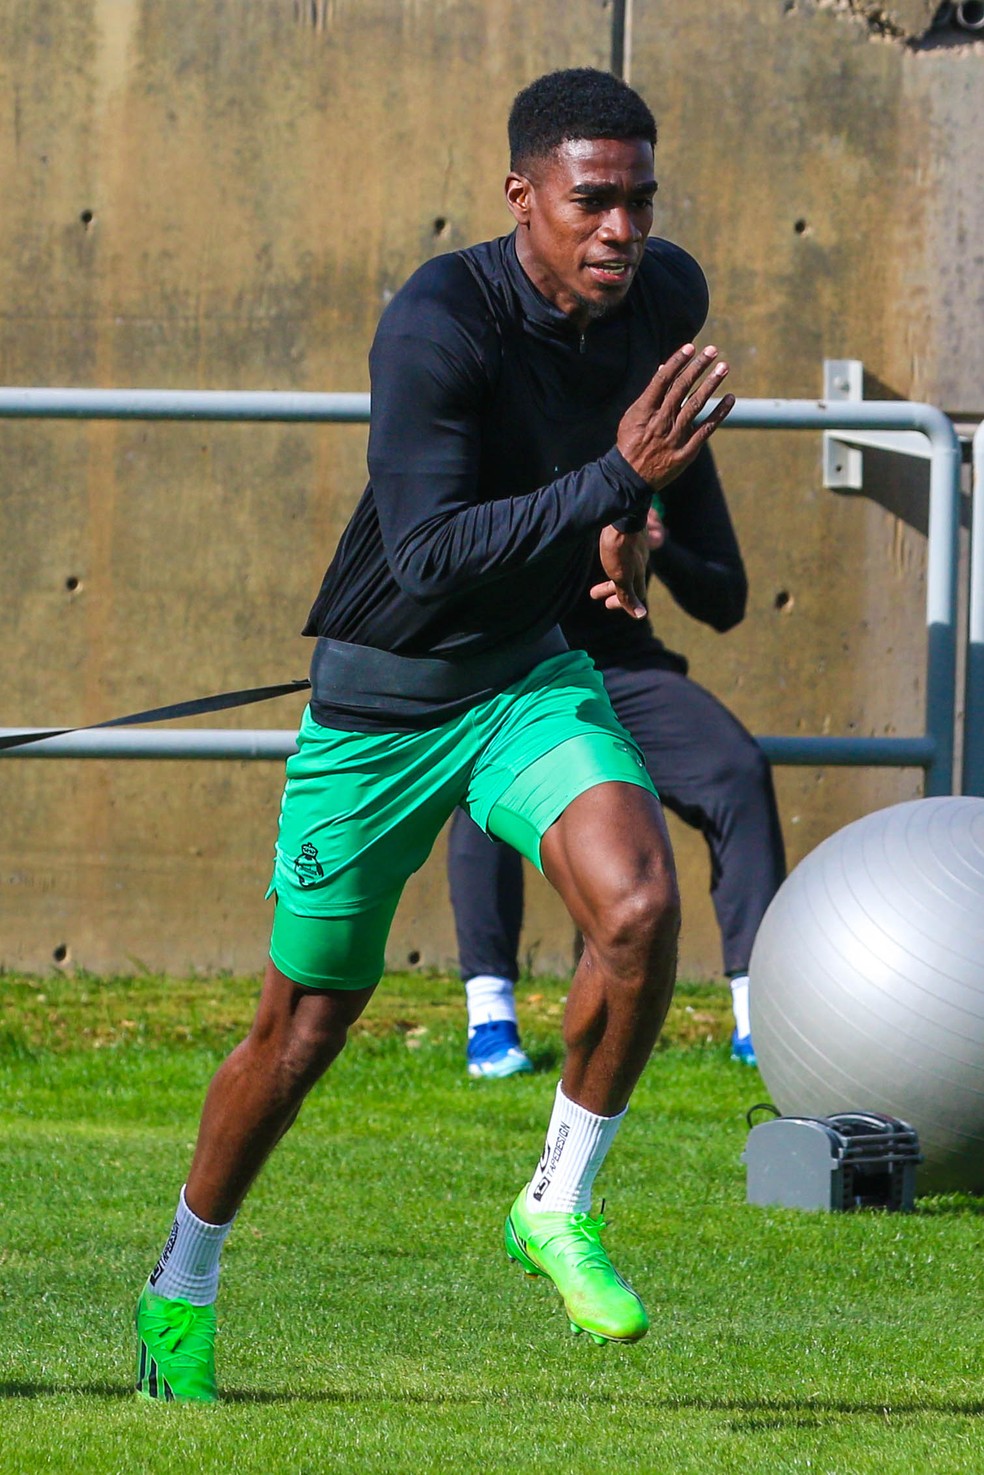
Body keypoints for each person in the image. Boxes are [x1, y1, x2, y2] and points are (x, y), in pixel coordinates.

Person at [133, 66, 735, 1403]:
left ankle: (555, 1204)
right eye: (592, 202)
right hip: (380, 707)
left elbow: (638, 475)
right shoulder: (432, 325)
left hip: (526, 682)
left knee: (639, 906)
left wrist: (633, 537)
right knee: (299, 1028)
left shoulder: (666, 300)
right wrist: (617, 482)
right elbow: (425, 552)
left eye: (640, 200)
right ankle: (182, 1275)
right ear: (523, 197)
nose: (622, 231)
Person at [449, 447, 787, 1079]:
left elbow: (727, 597)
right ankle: (489, 1015)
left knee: (735, 770)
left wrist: (661, 544)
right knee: (485, 788)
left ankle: (755, 1010)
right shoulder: (511, 405)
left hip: (626, 666)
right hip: (519, 667)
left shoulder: (666, 431)